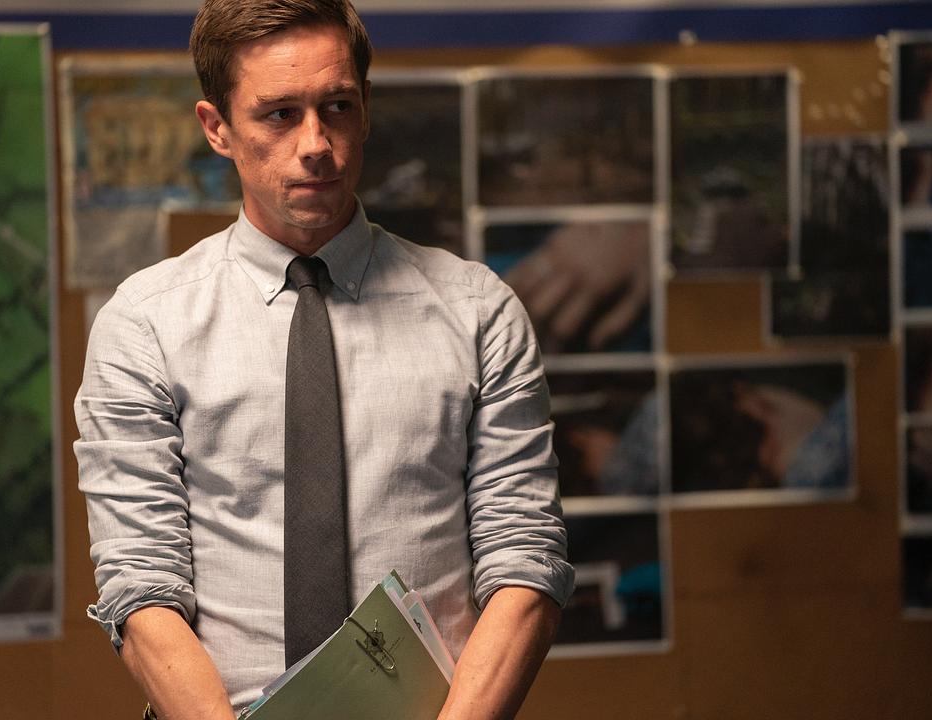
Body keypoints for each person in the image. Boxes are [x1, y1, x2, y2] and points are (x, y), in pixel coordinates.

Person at [73, 1, 575, 718]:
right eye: (279, 115)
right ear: (217, 127)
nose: (315, 144)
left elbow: (525, 558)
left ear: (365, 108)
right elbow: (139, 582)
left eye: (336, 107)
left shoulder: (478, 311)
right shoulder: (145, 323)